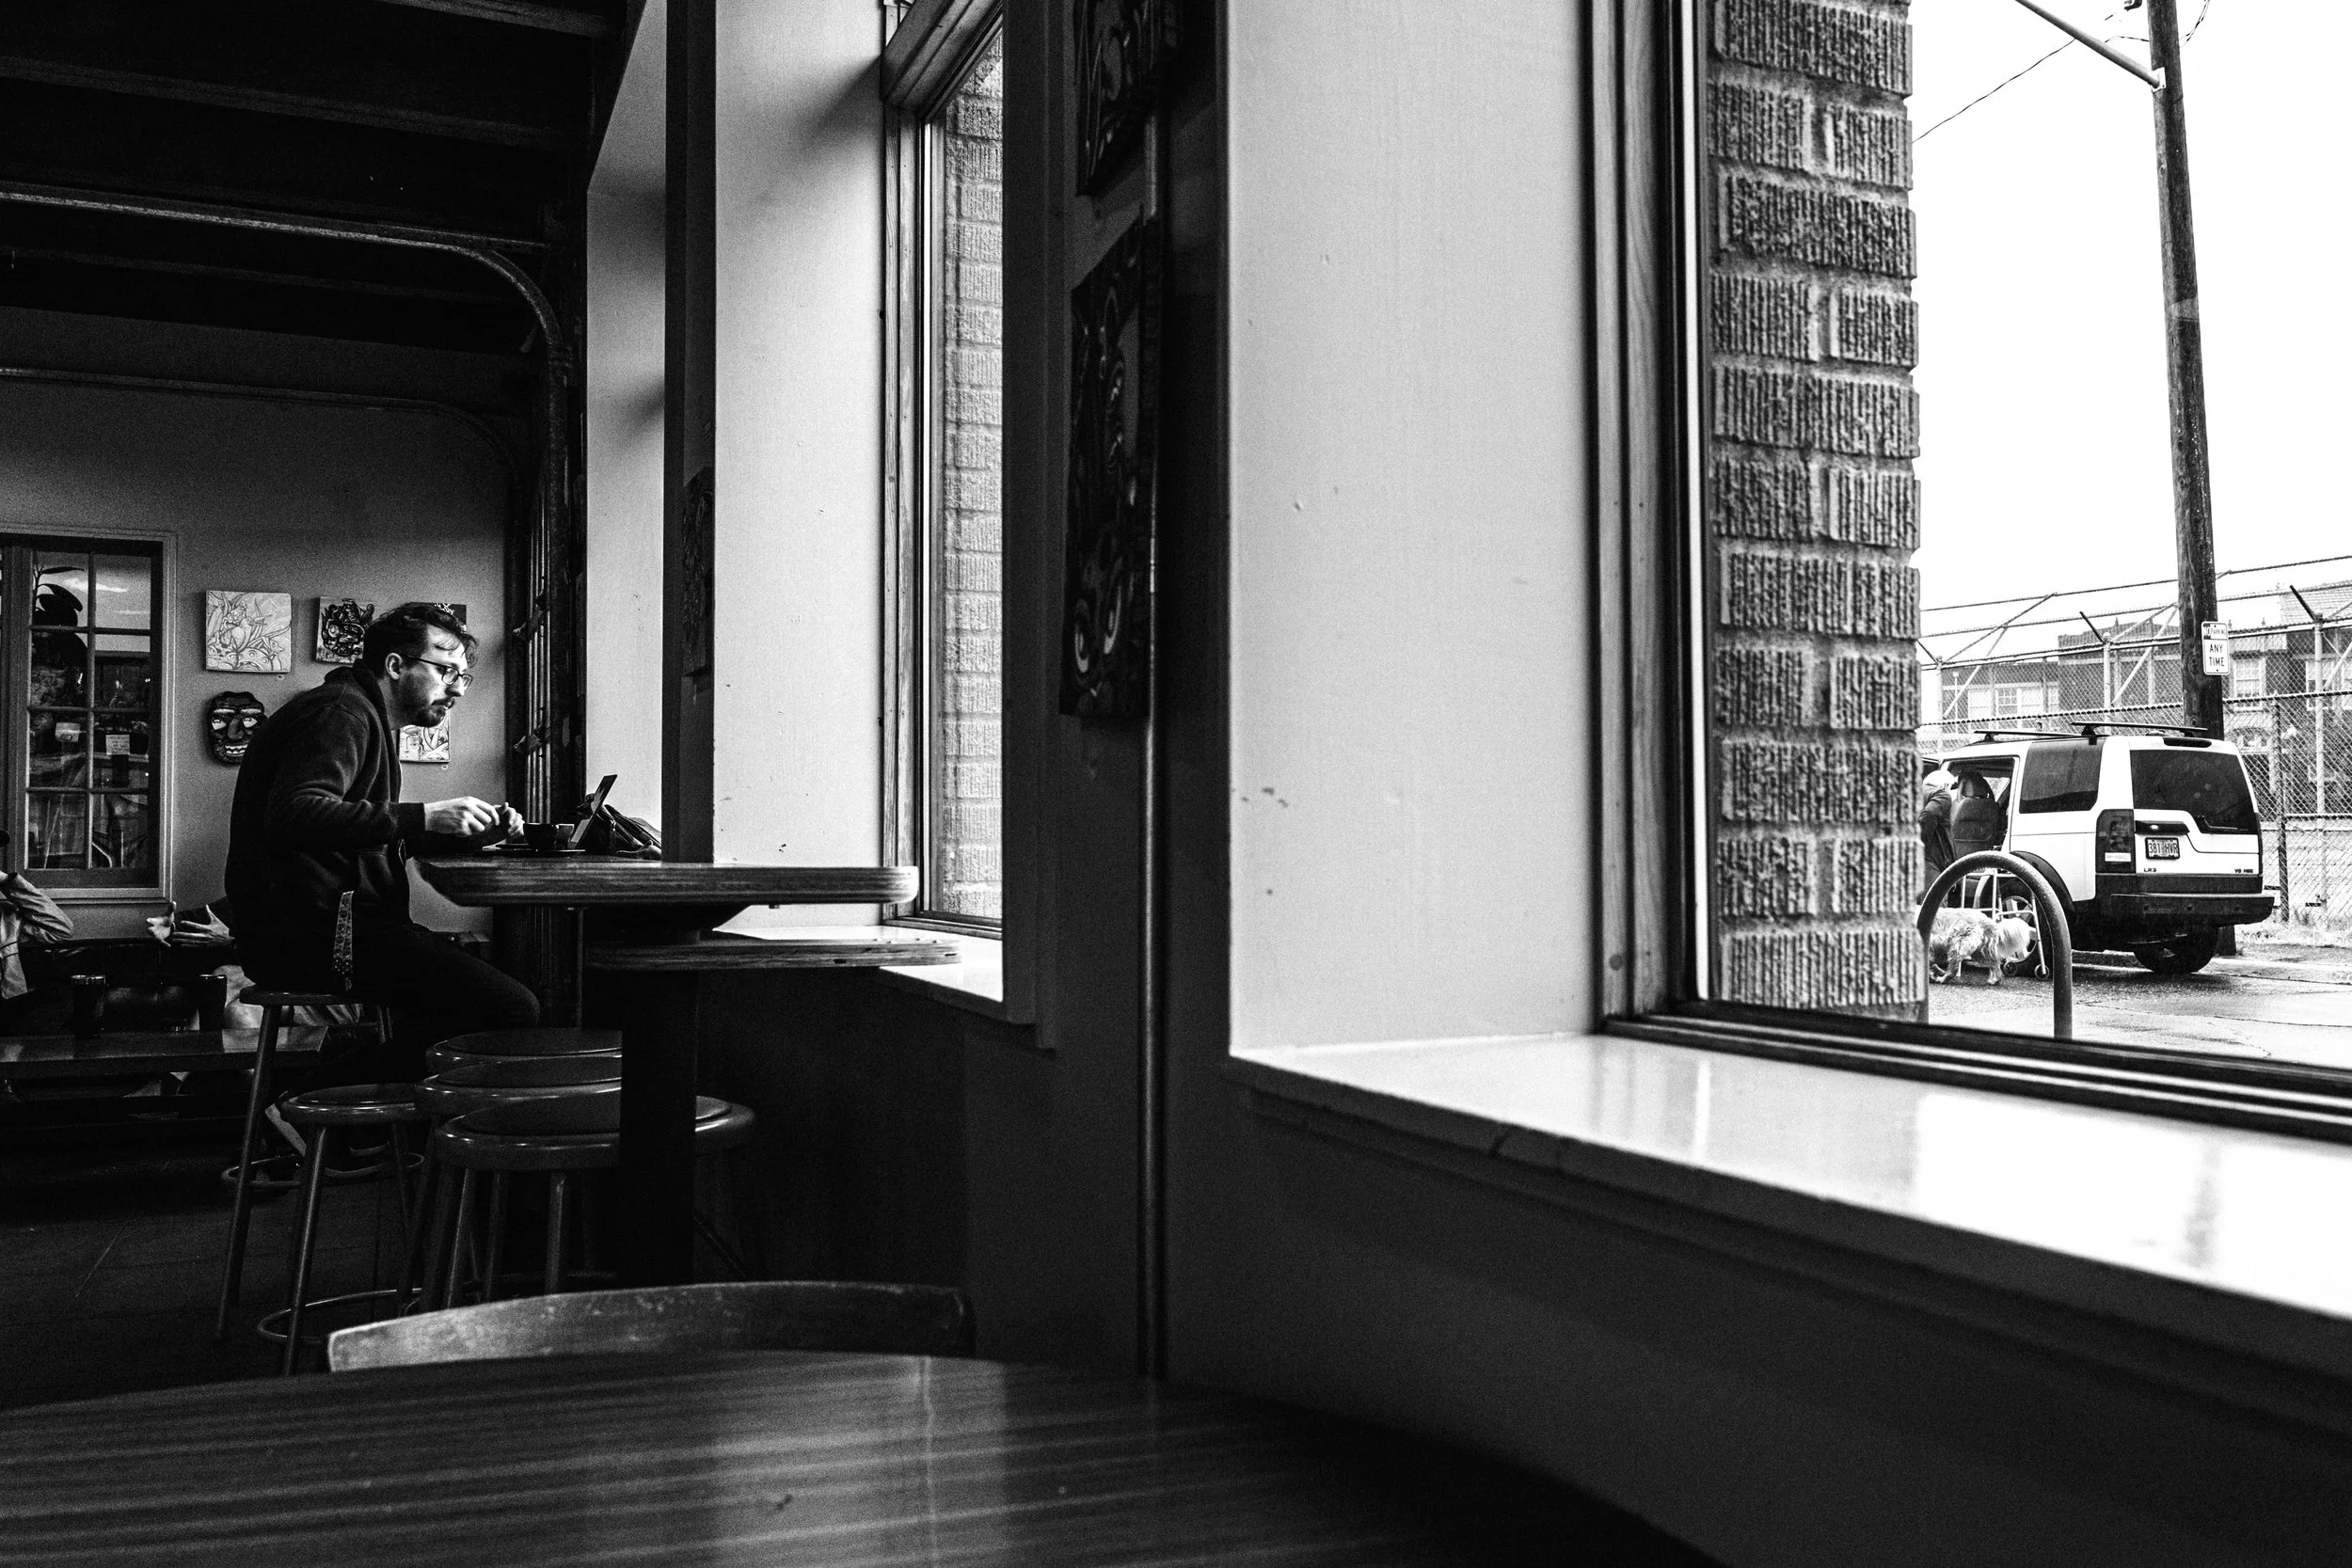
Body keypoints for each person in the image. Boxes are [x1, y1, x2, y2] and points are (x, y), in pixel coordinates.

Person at [224, 602, 537, 1075]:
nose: (457, 689)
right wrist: (424, 817)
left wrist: (461, 834)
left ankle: (352, 1108)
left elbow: (358, 834)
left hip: (323, 932)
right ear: (395, 665)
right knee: (512, 1008)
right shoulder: (341, 712)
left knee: (459, 1003)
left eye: (462, 677)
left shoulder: (358, 712)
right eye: (445, 671)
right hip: (314, 939)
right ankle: (308, 1096)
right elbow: (293, 815)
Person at [0, 839, 72, 1034]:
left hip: (6, 1011)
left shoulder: (6, 918)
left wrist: (7, 881)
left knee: (63, 995)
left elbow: (60, 929)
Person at [1917, 762, 1955, 885]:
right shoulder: (1942, 795)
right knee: (1937, 895)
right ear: (1945, 785)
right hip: (1932, 860)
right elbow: (1929, 815)